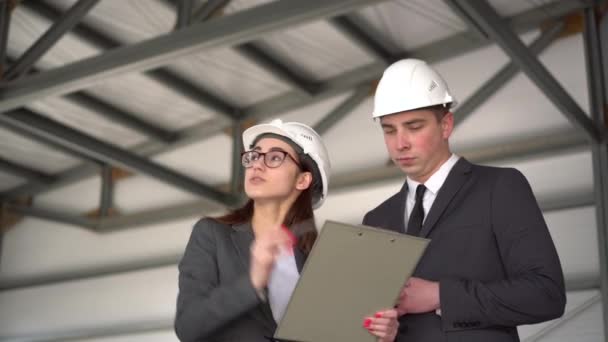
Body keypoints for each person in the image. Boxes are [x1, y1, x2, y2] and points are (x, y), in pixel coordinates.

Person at [362, 58, 566, 341]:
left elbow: (546, 294)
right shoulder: (376, 220)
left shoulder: (499, 188)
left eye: (414, 126)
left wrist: (440, 295)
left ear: (445, 125)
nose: (400, 143)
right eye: (389, 129)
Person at [175, 119, 399, 342]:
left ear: (303, 179)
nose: (256, 164)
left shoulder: (318, 258)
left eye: (274, 157)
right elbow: (188, 326)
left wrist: (377, 336)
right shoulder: (213, 235)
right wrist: (253, 283)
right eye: (254, 155)